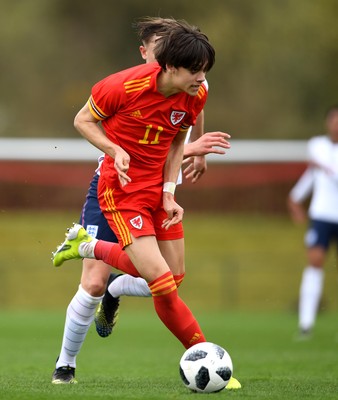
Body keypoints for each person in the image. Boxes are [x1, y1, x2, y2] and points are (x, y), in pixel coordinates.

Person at [51, 17, 240, 389]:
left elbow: (172, 142)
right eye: (195, 71)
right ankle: (66, 365)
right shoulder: (121, 86)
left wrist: (170, 191)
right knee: (100, 284)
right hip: (118, 191)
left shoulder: (194, 92)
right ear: (166, 63)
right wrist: (113, 149)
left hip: (156, 190)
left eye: (204, 72)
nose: (202, 80)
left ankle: (111, 282)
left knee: (174, 277)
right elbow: (82, 120)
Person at [288, 105, 338, 338]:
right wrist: (296, 199)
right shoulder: (317, 144)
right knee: (315, 263)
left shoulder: (321, 156)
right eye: (334, 119)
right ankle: (306, 324)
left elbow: (326, 172)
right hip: (321, 215)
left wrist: (325, 167)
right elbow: (313, 174)